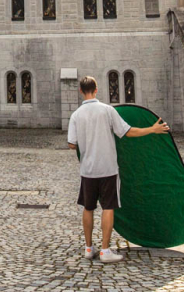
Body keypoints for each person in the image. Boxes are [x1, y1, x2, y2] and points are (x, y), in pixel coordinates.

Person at [66, 74, 169, 263]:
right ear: (96, 89)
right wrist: (152, 129)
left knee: (88, 208)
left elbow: (72, 144)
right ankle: (105, 251)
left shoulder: (76, 115)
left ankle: (89, 248)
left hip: (87, 170)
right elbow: (127, 132)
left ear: (81, 91)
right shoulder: (107, 110)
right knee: (108, 207)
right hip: (107, 168)